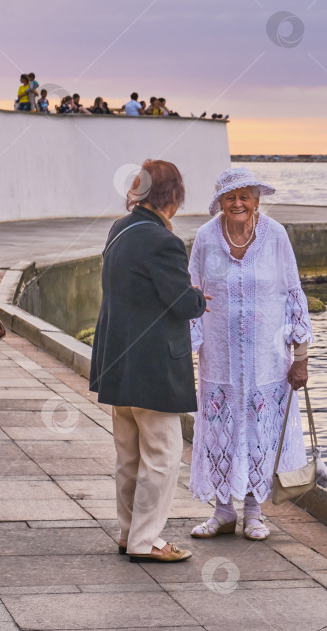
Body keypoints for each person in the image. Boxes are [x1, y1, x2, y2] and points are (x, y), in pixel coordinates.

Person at [89, 159, 208, 563]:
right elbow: (181, 301)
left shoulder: (120, 229)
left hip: (117, 364)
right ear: (172, 195)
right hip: (153, 368)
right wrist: (197, 297)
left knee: (129, 456)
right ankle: (146, 540)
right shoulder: (162, 240)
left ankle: (129, 533)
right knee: (162, 456)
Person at [188, 166, 313, 542]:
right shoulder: (206, 238)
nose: (238, 203)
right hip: (220, 359)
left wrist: (301, 354)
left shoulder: (275, 236)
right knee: (221, 431)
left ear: (256, 200)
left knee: (260, 433)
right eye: (231, 197)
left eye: (245, 196)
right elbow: (191, 294)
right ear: (220, 202)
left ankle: (255, 512)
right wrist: (185, 349)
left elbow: (293, 293)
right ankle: (223, 513)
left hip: (267, 360)